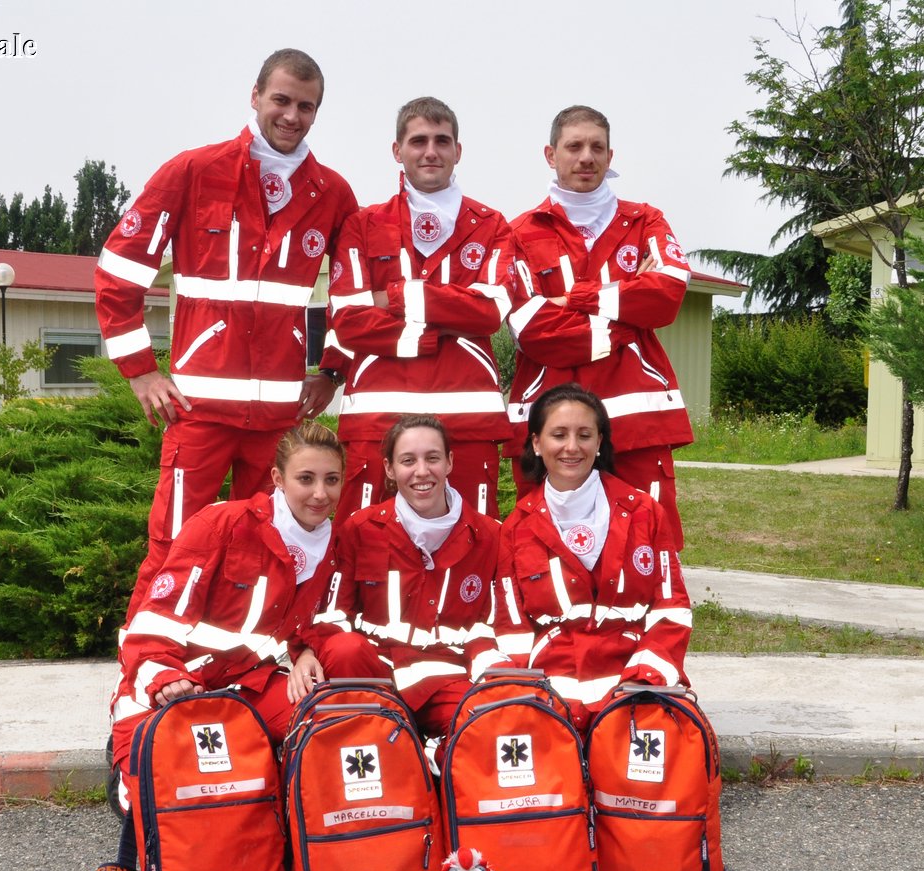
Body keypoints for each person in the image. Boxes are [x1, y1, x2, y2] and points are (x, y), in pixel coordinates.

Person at [96, 48, 358, 599]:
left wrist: (331, 369)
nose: (291, 115)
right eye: (281, 100)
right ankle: (145, 672)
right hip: (198, 410)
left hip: (280, 419)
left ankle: (249, 666)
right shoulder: (193, 171)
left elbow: (353, 293)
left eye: (306, 106)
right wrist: (141, 371)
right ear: (255, 96)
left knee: (272, 546)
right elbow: (119, 270)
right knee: (176, 545)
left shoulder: (331, 193)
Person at [109, 421, 345, 792]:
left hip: (252, 685)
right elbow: (154, 621)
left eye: (331, 480)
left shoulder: (334, 547)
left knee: (324, 732)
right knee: (165, 795)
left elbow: (323, 621)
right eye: (306, 479)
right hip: (175, 684)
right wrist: (166, 679)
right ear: (278, 479)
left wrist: (307, 651)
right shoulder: (222, 524)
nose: (320, 493)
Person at [505, 105, 693, 550]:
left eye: (597, 147)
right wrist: (627, 306)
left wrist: (575, 300)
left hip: (637, 414)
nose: (586, 157)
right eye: (574, 146)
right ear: (550, 154)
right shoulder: (517, 233)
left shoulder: (646, 220)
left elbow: (667, 294)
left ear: (611, 155)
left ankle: (646, 621)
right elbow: (531, 329)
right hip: (549, 415)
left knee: (647, 539)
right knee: (546, 540)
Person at [324, 96, 517, 517]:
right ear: (398, 151)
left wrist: (393, 297)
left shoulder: (492, 225)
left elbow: (488, 312)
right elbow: (348, 322)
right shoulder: (362, 225)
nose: (431, 151)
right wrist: (434, 330)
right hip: (376, 421)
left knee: (471, 552)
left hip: (467, 423)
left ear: (457, 151)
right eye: (418, 141)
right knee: (364, 552)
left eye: (442, 141)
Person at [484, 384, 693, 730]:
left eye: (584, 435)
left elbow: (672, 607)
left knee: (647, 778)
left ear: (599, 443)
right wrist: (525, 691)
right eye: (558, 434)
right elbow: (512, 628)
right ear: (536, 443)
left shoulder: (644, 513)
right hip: (549, 691)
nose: (572, 447)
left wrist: (646, 676)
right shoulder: (516, 528)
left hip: (635, 684)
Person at [294, 414, 499, 735]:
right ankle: (377, 745)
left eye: (432, 458)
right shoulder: (360, 529)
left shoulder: (488, 535)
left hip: (446, 676)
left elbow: (493, 620)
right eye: (407, 460)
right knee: (344, 648)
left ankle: (429, 759)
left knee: (484, 725)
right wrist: (308, 650)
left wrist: (488, 666)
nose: (421, 471)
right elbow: (333, 612)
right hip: (374, 669)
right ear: (389, 469)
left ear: (449, 462)